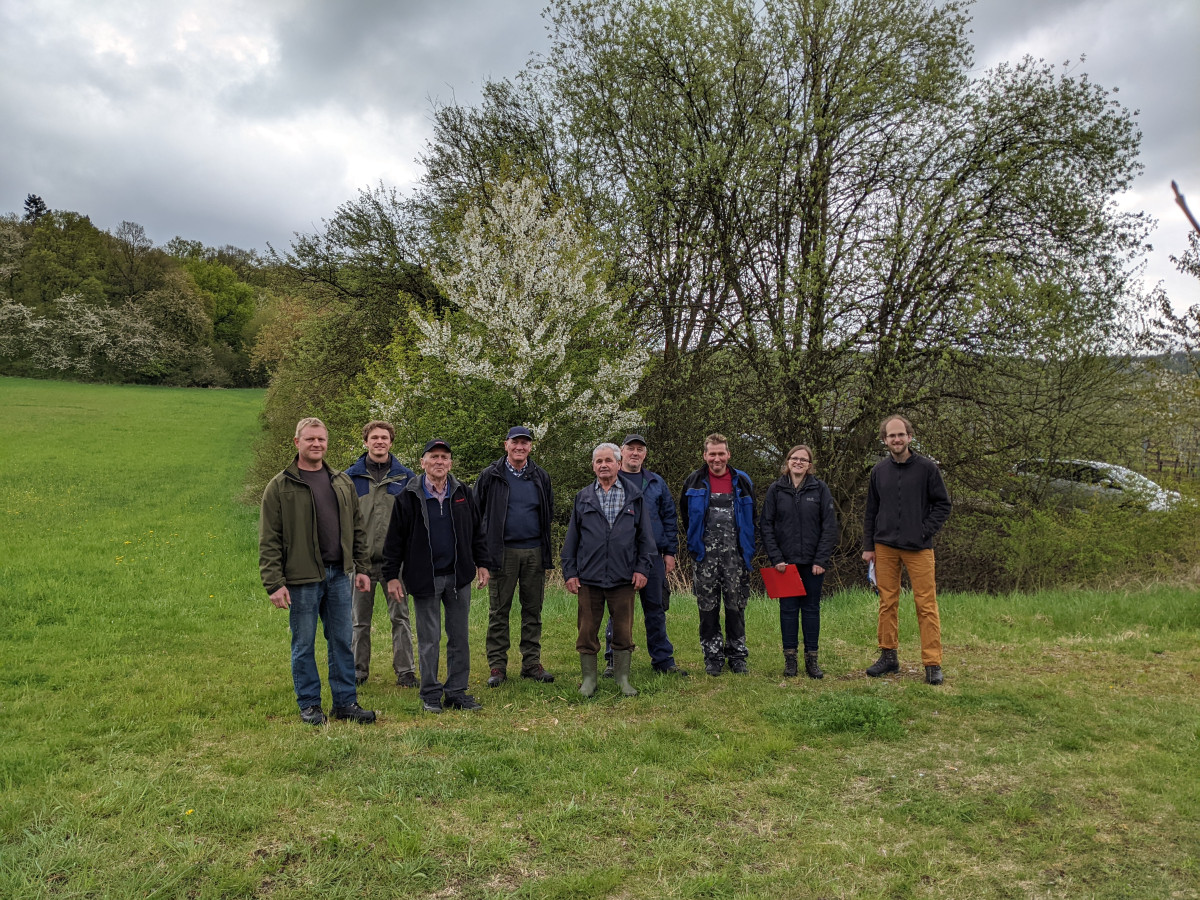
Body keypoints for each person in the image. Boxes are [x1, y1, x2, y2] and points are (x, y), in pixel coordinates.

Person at [258, 417, 376, 725]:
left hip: (340, 575)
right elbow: (269, 540)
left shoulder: (341, 481)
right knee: (304, 644)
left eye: (321, 439)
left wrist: (362, 567)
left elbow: (357, 529)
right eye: (310, 439)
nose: (316, 444)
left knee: (341, 640)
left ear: (327, 443)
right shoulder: (280, 486)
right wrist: (274, 584)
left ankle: (345, 702)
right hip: (302, 579)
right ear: (297, 442)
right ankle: (310, 704)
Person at [382, 439, 490, 714]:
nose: (439, 462)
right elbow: (394, 540)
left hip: (458, 578)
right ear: (423, 463)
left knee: (459, 637)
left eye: (444, 457)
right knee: (429, 638)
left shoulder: (463, 493)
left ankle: (456, 691)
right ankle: (430, 692)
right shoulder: (408, 497)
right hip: (425, 578)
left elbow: (477, 532)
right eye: (433, 457)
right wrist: (392, 575)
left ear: (450, 463)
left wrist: (483, 563)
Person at [861, 415, 952, 685]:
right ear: (884, 440)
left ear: (910, 437)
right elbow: (870, 511)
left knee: (926, 605)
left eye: (901, 435)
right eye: (891, 436)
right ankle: (889, 656)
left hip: (919, 548)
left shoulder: (927, 469)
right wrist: (868, 546)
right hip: (885, 546)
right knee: (887, 602)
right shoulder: (879, 471)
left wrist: (924, 530)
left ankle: (932, 663)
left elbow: (942, 505)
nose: (896, 439)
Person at [562, 443, 657, 698]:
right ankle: (589, 680)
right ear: (593, 466)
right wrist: (570, 572)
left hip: (623, 577)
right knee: (586, 630)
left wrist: (642, 569)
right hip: (589, 578)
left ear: (618, 464)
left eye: (608, 460)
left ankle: (622, 679)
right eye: (598, 461)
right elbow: (572, 539)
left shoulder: (634, 496)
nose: (603, 465)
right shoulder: (583, 497)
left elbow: (645, 539)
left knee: (623, 630)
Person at [475, 426, 556, 687]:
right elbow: (477, 515)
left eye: (525, 443)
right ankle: (497, 666)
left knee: (533, 610)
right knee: (499, 610)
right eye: (515, 442)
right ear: (506, 445)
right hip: (502, 553)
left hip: (534, 551)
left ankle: (531, 663)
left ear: (530, 447)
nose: (520, 447)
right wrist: (481, 558)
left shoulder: (540, 476)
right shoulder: (491, 475)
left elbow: (548, 512)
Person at [600, 434, 685, 676]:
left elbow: (669, 518)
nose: (635, 453)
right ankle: (614, 659)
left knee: (655, 609)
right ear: (621, 453)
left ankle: (663, 660)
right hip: (620, 556)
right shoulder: (611, 480)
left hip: (652, 556)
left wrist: (669, 552)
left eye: (640, 449)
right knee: (618, 610)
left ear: (644, 454)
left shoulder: (656, 482)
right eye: (630, 449)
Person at [345, 420, 417, 687]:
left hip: (394, 564)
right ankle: (357, 670)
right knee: (358, 620)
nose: (379, 442)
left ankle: (406, 671)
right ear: (365, 442)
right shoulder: (349, 478)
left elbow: (414, 521)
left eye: (384, 438)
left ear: (391, 442)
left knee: (400, 617)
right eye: (374, 437)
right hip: (360, 563)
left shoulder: (406, 478)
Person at [678, 433, 757, 676]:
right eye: (712, 454)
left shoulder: (742, 481)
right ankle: (712, 656)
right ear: (705, 455)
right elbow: (685, 517)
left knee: (736, 606)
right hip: (705, 558)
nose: (716, 458)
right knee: (708, 608)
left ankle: (737, 655)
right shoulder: (694, 481)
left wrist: (748, 549)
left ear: (728, 454)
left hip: (736, 557)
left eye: (721, 453)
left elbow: (753, 517)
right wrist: (696, 546)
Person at [759, 444, 839, 678]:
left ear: (810, 465)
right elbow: (766, 525)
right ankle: (790, 661)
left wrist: (821, 559)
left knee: (812, 611)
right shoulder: (776, 490)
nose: (798, 462)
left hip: (813, 564)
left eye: (804, 460)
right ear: (787, 462)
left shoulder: (820, 489)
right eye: (795, 458)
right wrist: (776, 558)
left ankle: (812, 661)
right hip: (785, 565)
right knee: (788, 611)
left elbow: (829, 527)